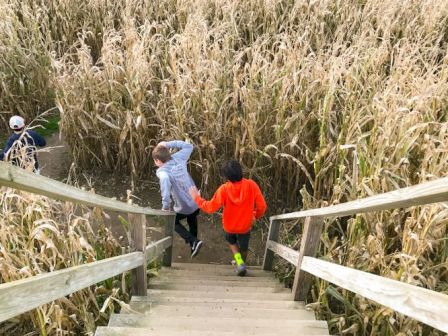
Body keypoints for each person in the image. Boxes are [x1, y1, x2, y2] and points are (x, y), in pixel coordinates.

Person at [189, 159, 267, 276]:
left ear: (227, 176)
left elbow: (210, 207)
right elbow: (262, 206)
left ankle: (239, 262)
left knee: (231, 241)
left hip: (229, 225)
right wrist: (255, 215)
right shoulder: (251, 185)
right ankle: (241, 264)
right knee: (244, 246)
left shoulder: (224, 189)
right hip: (245, 225)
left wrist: (196, 198)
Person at [152, 140, 203, 258]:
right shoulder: (178, 157)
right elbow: (189, 145)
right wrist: (168, 144)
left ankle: (193, 241)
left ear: (158, 161)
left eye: (155, 161)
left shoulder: (162, 172)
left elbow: (165, 189)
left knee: (172, 221)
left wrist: (166, 207)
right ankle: (194, 246)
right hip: (196, 200)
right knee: (192, 218)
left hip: (184, 206)